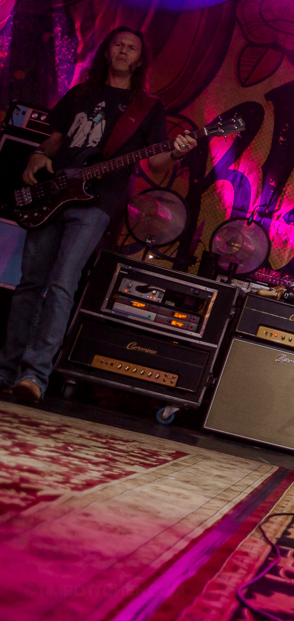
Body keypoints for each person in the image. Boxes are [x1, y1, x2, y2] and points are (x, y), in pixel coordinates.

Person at [0, 27, 197, 403]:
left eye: (132, 48)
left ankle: (34, 377)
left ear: (139, 59)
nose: (124, 51)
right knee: (29, 283)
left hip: (95, 204)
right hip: (53, 194)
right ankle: (6, 370)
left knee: (61, 285)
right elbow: (55, 139)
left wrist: (177, 151)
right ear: (108, 52)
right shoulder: (82, 93)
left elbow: (155, 165)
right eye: (118, 44)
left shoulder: (146, 107)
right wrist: (38, 155)